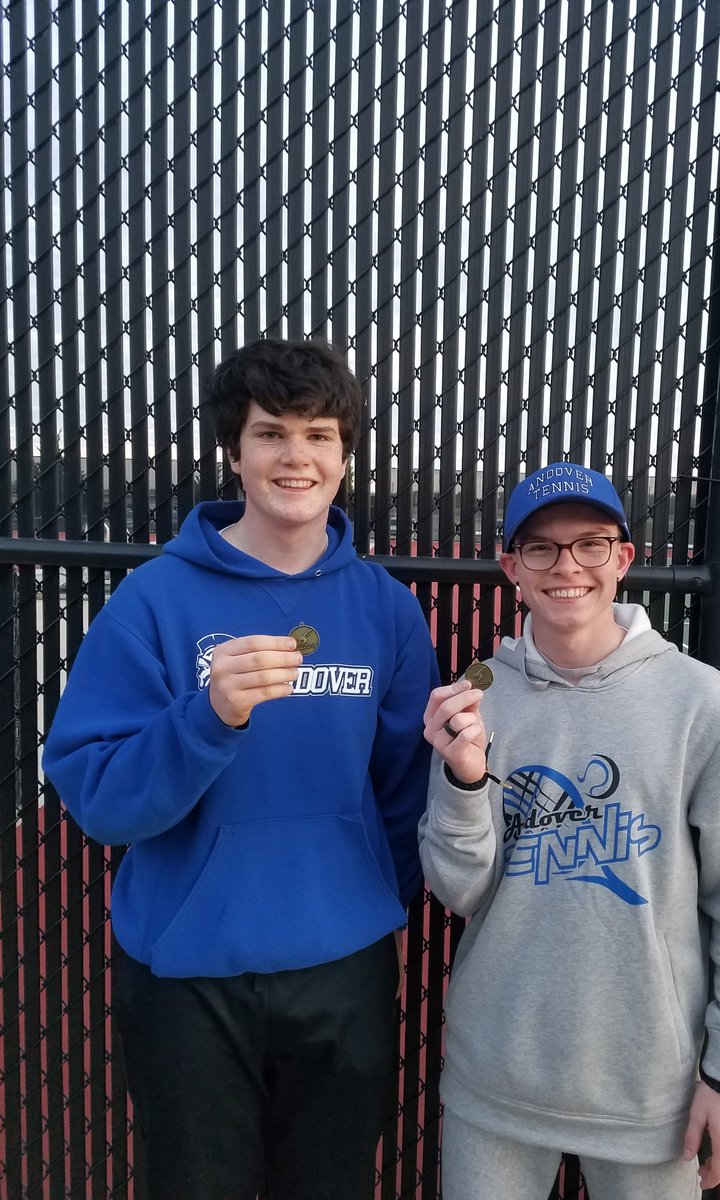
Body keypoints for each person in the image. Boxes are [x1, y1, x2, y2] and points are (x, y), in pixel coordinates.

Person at [43, 337, 439, 1200]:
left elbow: (409, 793)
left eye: (320, 435)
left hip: (345, 965)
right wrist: (207, 717)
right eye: (271, 433)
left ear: (345, 457)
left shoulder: (387, 610)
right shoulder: (155, 600)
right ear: (234, 452)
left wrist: (371, 897)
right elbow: (98, 796)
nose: (296, 456)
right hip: (187, 974)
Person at [419, 461, 720, 1200]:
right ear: (510, 568)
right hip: (497, 1082)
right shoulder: (474, 695)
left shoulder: (700, 704)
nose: (567, 567)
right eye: (541, 548)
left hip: (650, 1093)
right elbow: (458, 890)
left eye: (590, 544)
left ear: (622, 558)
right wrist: (465, 780)